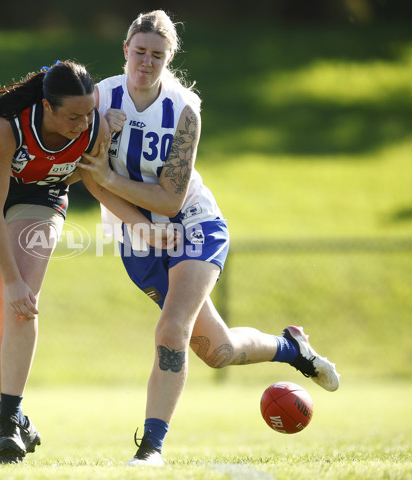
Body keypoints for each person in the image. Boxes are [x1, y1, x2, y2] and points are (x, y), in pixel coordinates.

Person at [77, 10, 340, 467]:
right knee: (216, 351)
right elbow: (91, 178)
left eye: (157, 55)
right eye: (138, 52)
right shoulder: (99, 99)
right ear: (125, 51)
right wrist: (136, 224)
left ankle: (151, 447)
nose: (145, 62)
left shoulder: (184, 109)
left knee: (171, 329)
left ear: (170, 57)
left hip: (193, 225)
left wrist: (119, 189)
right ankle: (290, 347)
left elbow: (172, 199)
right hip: (137, 237)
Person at [0, 60, 159, 464]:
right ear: (47, 106)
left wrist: (140, 225)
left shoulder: (94, 124)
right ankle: (15, 417)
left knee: (24, 304)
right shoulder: (5, 126)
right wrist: (8, 279)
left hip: (41, 194)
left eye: (88, 113)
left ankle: (8, 421)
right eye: (73, 116)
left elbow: (93, 179)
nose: (83, 123)